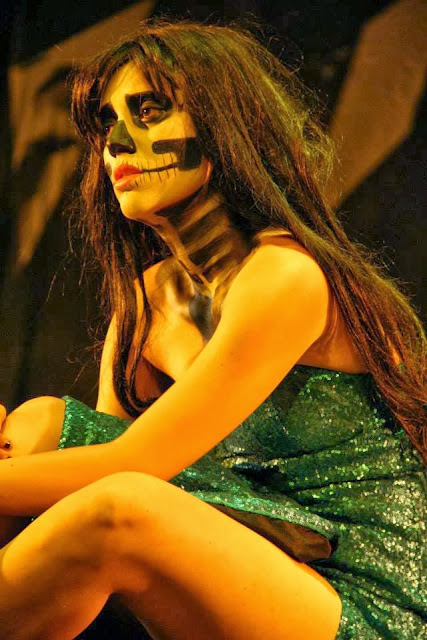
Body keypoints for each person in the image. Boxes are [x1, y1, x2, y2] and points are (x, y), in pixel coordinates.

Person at [0, 16, 425, 640]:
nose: (117, 143)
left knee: (119, 506)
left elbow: (133, 465)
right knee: (36, 430)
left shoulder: (285, 275)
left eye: (149, 111)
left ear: (225, 126)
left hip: (358, 596)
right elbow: (86, 465)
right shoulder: (147, 303)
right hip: (256, 548)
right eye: (106, 124)